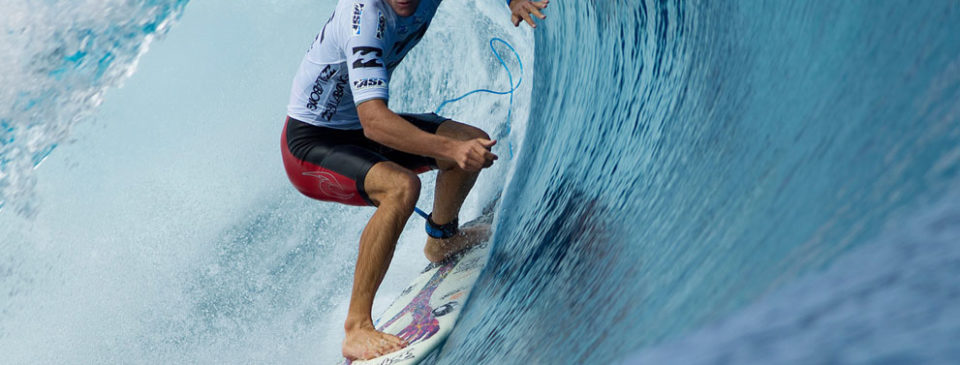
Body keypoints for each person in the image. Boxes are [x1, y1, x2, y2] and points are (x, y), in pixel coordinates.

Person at [280, 0, 548, 360]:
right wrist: (451, 150)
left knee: (471, 138)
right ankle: (356, 327)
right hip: (311, 144)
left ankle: (442, 239)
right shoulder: (364, 18)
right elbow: (375, 121)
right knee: (401, 186)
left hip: (355, 129)